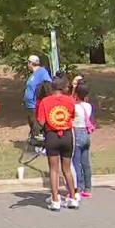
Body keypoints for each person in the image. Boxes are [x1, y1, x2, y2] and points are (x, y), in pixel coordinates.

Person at [38, 77, 78, 211]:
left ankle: (55, 199)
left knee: (53, 169)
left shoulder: (45, 101)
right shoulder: (70, 101)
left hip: (52, 135)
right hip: (67, 135)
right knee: (67, 168)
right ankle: (73, 197)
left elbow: (41, 121)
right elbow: (72, 116)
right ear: (63, 88)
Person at [72, 83, 93, 199]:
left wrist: (73, 89)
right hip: (86, 134)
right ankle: (88, 187)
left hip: (77, 132)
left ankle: (79, 186)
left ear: (76, 94)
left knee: (76, 162)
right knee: (86, 163)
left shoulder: (75, 107)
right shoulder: (88, 106)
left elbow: (70, 103)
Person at [24, 55, 53, 138]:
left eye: (28, 63)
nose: (27, 65)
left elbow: (48, 85)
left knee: (36, 125)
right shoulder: (33, 74)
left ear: (30, 63)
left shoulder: (42, 72)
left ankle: (38, 144)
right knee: (32, 124)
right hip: (29, 105)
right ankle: (34, 141)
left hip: (35, 105)